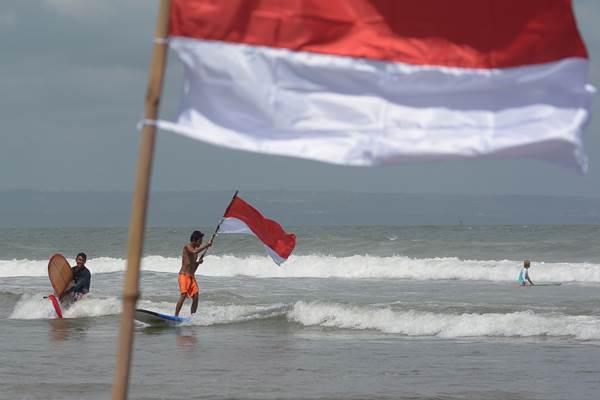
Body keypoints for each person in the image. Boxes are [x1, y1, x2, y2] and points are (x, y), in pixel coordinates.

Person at [175, 231, 212, 316]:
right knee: (183, 295)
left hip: (191, 277)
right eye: (200, 241)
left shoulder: (195, 254)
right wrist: (206, 245)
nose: (201, 243)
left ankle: (193, 317)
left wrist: (198, 263)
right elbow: (194, 252)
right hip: (183, 276)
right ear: (194, 240)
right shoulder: (187, 247)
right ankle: (176, 316)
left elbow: (193, 269)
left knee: (196, 296)